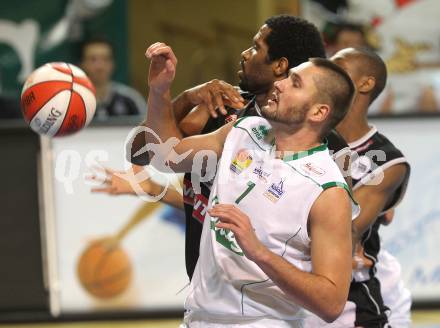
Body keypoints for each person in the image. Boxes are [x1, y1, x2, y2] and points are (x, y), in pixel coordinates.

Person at [95, 15, 351, 281]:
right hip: (207, 292)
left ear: (280, 66)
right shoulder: (223, 109)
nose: (244, 54)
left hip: (268, 302)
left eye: (255, 47)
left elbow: (329, 240)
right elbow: (142, 152)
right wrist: (181, 96)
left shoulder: (329, 150)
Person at [144, 41, 357, 327]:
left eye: (295, 83)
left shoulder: (327, 191)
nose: (280, 85)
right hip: (199, 317)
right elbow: (165, 156)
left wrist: (258, 251)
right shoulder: (245, 129)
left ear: (318, 112)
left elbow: (331, 303)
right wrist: (159, 91)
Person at [305, 47, 410, 328]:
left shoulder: (388, 160)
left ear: (366, 83)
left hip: (349, 300)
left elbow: (344, 232)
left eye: (338, 66)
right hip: (291, 292)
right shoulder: (301, 134)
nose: (328, 72)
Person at [79, 36, 146, 120]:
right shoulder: (74, 101)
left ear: (113, 64)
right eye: (93, 59)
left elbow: (147, 129)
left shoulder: (130, 100)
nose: (100, 66)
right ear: (83, 64)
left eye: (105, 59)